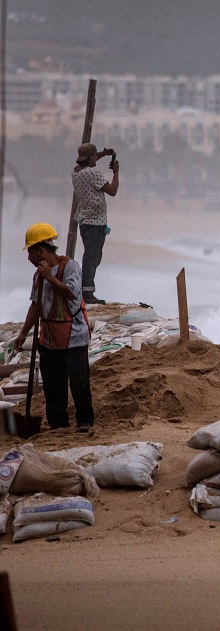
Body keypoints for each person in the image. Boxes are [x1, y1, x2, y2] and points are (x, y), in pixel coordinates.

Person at [14, 223, 95, 433]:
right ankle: (58, 424)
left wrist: (49, 276)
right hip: (49, 338)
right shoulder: (38, 276)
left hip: (74, 336)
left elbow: (72, 293)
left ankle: (85, 421)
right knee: (53, 385)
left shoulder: (70, 267)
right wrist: (24, 332)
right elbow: (36, 305)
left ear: (41, 250)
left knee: (79, 383)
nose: (29, 258)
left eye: (30, 252)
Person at [72, 143, 120, 305]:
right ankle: (87, 292)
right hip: (96, 222)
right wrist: (116, 172)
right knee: (92, 258)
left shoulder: (76, 172)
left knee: (90, 255)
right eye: (95, 156)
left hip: (84, 221)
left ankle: (85, 289)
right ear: (91, 157)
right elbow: (113, 191)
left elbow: (90, 159)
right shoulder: (93, 173)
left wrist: (104, 153)